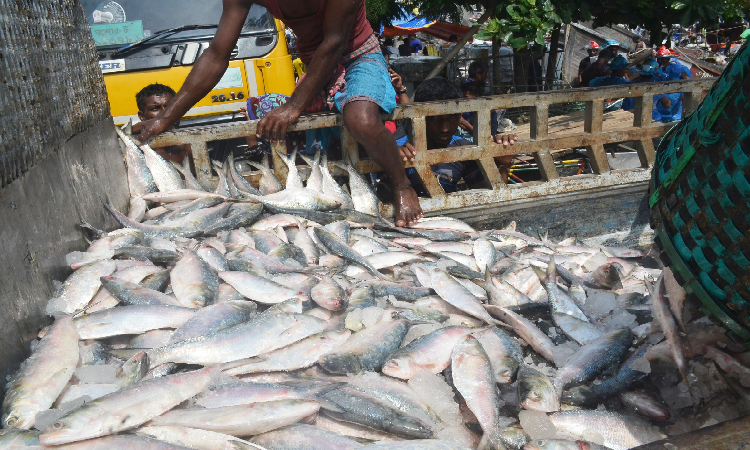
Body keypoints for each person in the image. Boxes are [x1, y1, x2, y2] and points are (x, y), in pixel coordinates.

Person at [133, 0, 423, 227]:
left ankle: (402, 185)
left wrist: (294, 107)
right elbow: (217, 54)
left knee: (360, 120)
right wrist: (164, 118)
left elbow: (334, 42)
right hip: (314, 63)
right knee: (267, 120)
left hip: (358, 53)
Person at [401, 77, 517, 193]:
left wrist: (503, 163)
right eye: (435, 118)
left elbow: (488, 195)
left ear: (460, 116)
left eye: (452, 117)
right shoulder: (398, 148)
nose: (444, 128)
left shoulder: (463, 148)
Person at [135, 84, 191, 165]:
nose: (164, 113)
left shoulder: (189, 146)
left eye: (169, 107)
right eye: (155, 108)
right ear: (142, 116)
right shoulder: (136, 150)